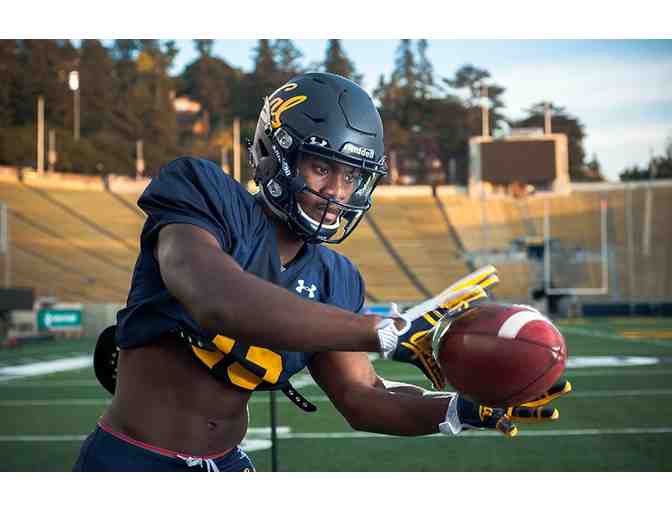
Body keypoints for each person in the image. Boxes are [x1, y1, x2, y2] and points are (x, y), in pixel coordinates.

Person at [74, 72, 571, 472]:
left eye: (353, 176)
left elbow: (363, 398)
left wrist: (458, 410)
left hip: (225, 466)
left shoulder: (337, 277)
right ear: (274, 153)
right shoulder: (202, 192)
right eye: (322, 168)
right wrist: (383, 330)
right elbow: (215, 298)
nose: (339, 192)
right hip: (133, 463)